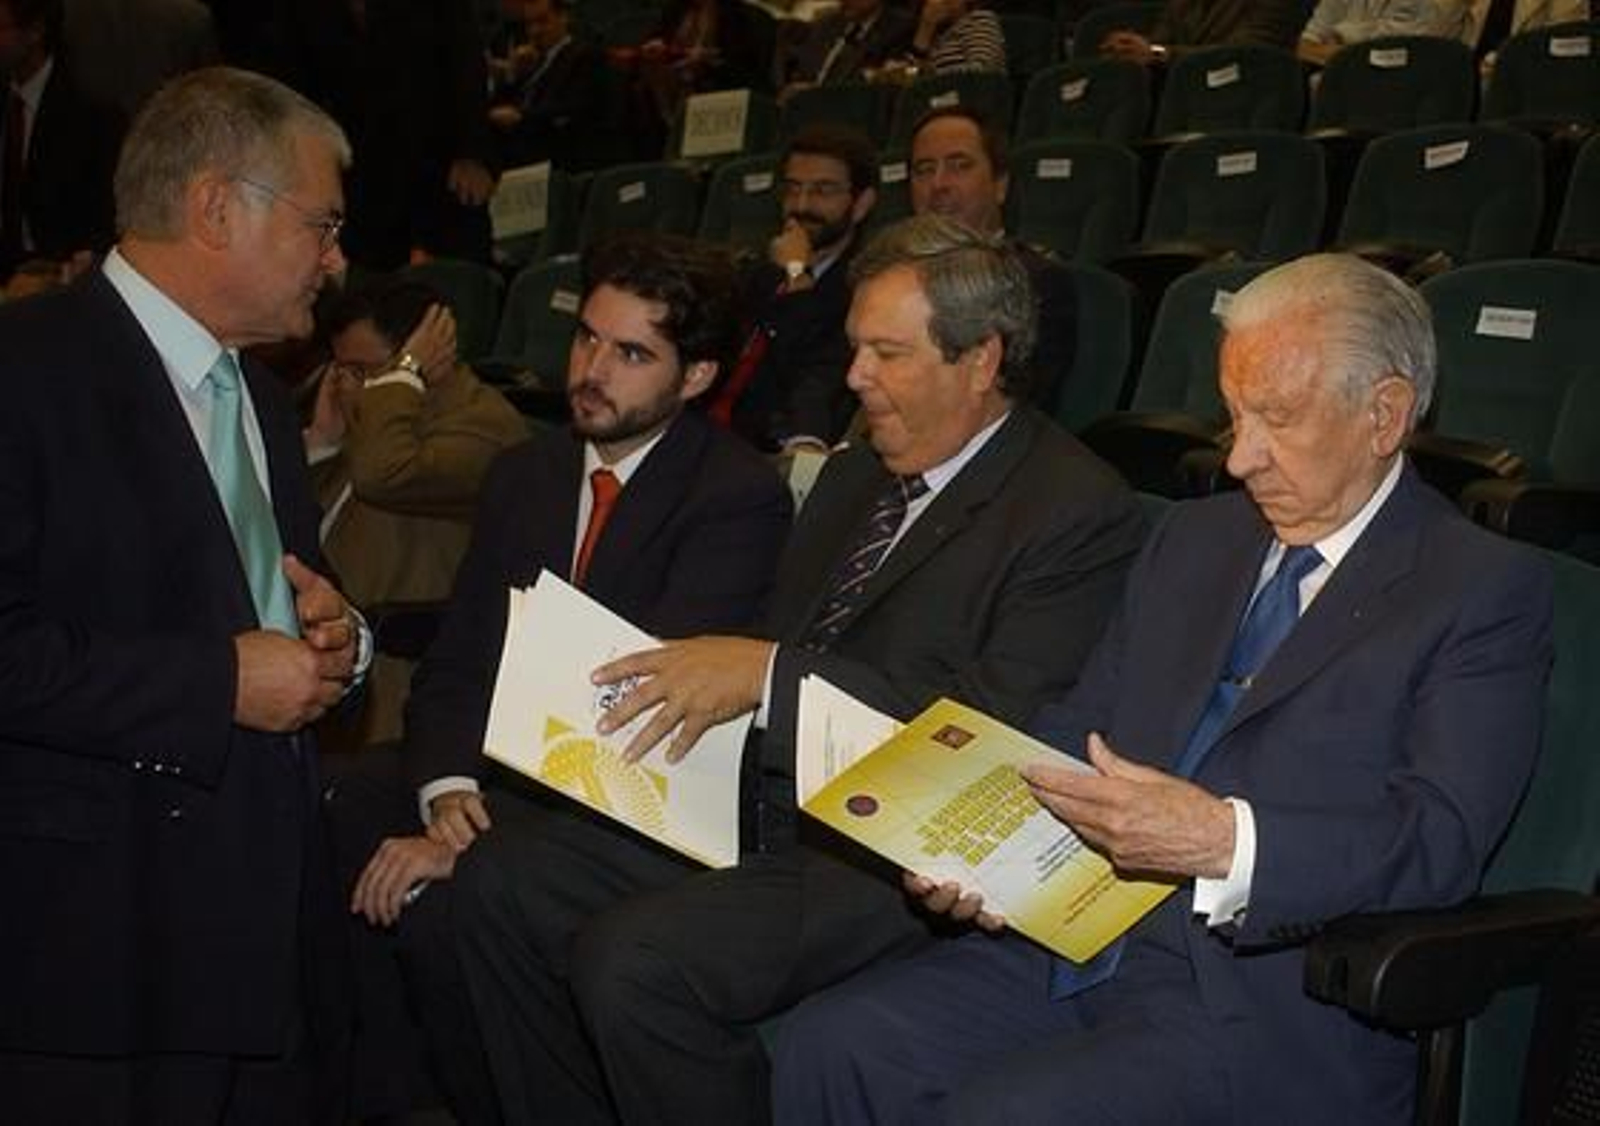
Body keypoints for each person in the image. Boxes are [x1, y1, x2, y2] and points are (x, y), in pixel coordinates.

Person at [773, 252, 1555, 1125]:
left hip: (1260, 996)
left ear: (1385, 415)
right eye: (1233, 415)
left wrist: (1224, 841)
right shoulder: (1195, 539)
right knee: (831, 1045)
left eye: (1277, 419)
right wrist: (979, 846)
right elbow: (1080, 726)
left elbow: (1437, 841)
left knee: (1009, 1114)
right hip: (1074, 937)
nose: (1240, 458)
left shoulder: (1477, 589)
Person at [448, 215, 1145, 1125]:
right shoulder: (856, 476)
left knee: (635, 963)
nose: (854, 377)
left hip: (882, 854)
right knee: (498, 885)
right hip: (759, 800)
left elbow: (991, 733)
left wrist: (770, 677)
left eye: (887, 354)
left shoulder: (1074, 510)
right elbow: (779, 644)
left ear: (981, 361)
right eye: (854, 348)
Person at [337, 232, 793, 1122]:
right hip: (505, 765)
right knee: (347, 802)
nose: (591, 370)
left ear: (696, 377)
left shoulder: (734, 498)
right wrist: (446, 788)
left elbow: (647, 713)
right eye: (587, 337)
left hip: (630, 788)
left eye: (632, 354)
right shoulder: (527, 472)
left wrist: (472, 834)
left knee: (456, 900)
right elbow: (462, 656)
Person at [0, 66, 366, 1123]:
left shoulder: (259, 395)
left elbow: (273, 594)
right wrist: (218, 682)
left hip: (262, 939)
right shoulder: (23, 369)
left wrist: (335, 643)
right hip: (89, 955)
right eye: (322, 225)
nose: (337, 260)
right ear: (216, 208)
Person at [305, 276, 528, 753]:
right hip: (327, 657)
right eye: (341, 369)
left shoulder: (486, 427)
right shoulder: (381, 415)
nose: (348, 387)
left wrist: (401, 374)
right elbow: (304, 522)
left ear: (432, 357)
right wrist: (323, 443)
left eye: (363, 370)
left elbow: (383, 475)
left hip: (399, 688)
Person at [707, 123, 878, 452]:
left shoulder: (866, 288)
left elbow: (805, 377)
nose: (801, 206)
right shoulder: (756, 273)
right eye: (793, 189)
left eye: (823, 191)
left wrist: (797, 274)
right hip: (707, 433)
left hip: (771, 448)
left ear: (861, 204)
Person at [908, 106, 1078, 414]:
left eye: (959, 166)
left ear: (1000, 185)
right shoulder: (894, 278)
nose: (938, 184)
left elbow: (1012, 403)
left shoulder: (1036, 282)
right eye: (924, 170)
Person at [0, 0, 123, 285]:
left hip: (61, 276)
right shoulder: (7, 99)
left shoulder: (92, 112)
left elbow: (106, 219)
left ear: (35, 31)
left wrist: (58, 272)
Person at [487, 0, 605, 171]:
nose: (535, 31)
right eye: (529, 24)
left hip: (560, 155)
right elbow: (498, 104)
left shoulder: (584, 56)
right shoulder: (533, 62)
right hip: (520, 149)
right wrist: (513, 73)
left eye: (542, 21)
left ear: (563, 17)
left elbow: (572, 108)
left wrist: (521, 117)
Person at [1100, 0, 1313, 65]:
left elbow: (1247, 52)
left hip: (1246, 95)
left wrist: (1157, 54)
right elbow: (1160, 39)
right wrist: (1130, 49)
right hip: (1185, 99)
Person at [773, 0, 914, 95]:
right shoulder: (828, 23)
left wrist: (817, 94)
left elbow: (866, 90)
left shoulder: (898, 31)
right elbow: (803, 71)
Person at [1299, 0, 1472, 63]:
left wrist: (1340, 35)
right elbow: (1305, 45)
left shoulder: (1431, 6)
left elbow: (1382, 56)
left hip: (1400, 99)